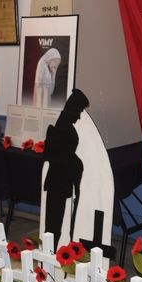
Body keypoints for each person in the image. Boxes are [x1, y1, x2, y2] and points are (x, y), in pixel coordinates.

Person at [42, 88, 89, 247]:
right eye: (79, 111)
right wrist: (76, 163)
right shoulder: (64, 128)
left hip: (61, 182)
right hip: (58, 182)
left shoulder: (64, 126)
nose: (79, 115)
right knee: (54, 223)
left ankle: (52, 250)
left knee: (55, 222)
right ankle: (51, 252)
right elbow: (60, 155)